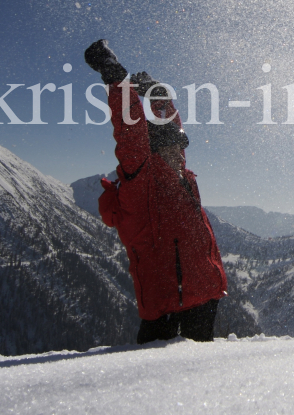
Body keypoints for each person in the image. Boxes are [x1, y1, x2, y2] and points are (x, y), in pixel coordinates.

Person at [85, 39, 227, 343]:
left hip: (202, 296)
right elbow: (131, 132)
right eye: (172, 146)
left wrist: (156, 93)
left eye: (181, 146)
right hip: (166, 307)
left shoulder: (176, 170)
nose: (180, 152)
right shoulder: (142, 184)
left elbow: (170, 126)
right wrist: (116, 80)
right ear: (154, 151)